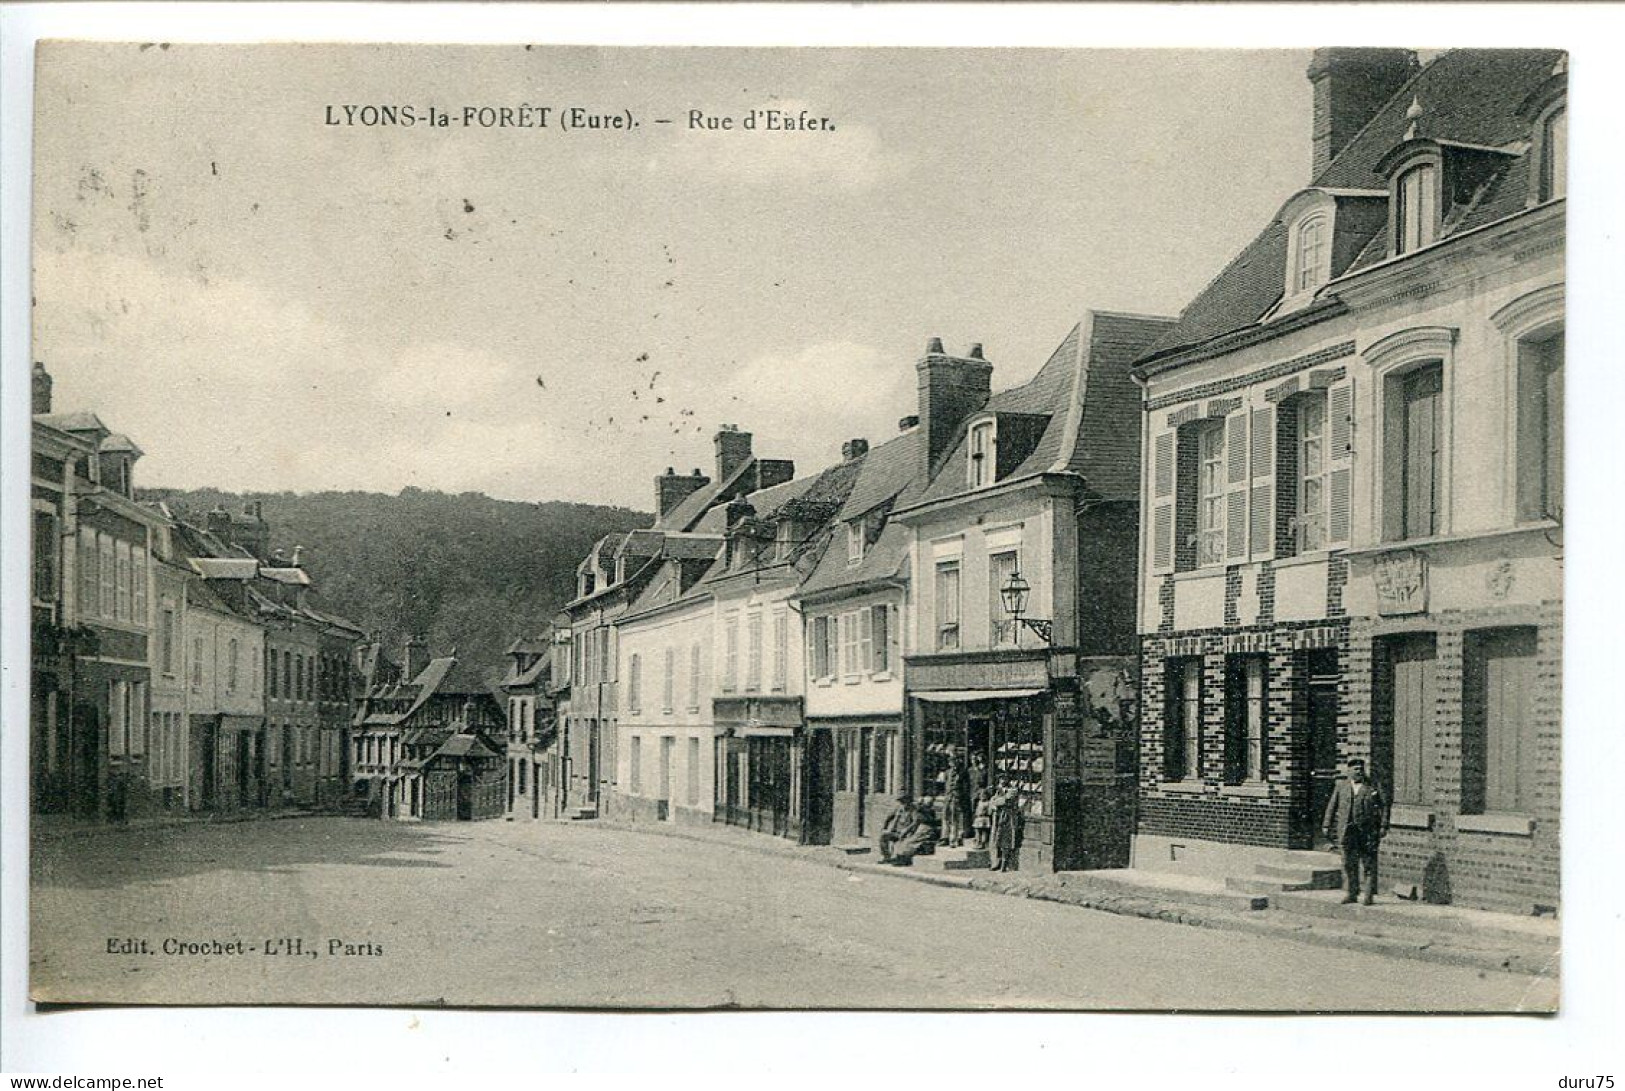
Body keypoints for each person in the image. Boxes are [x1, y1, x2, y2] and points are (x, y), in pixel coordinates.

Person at [1321, 758, 1390, 905]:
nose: (1359, 771)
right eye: (1355, 769)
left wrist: (1383, 826)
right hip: (1347, 831)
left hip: (1367, 831)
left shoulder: (1373, 786)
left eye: (1361, 768)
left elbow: (1384, 806)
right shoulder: (1341, 786)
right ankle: (1351, 893)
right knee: (1348, 863)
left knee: (1368, 863)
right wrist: (1326, 825)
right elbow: (1331, 807)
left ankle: (1368, 895)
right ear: (1349, 771)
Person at [988, 783, 1023, 872]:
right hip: (998, 820)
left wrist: (996, 800)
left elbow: (1002, 801)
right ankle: (996, 862)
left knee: (1005, 842)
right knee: (996, 841)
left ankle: (1005, 865)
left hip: (1008, 820)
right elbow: (992, 803)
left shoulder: (1012, 791)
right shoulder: (999, 792)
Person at [878, 796, 918, 863]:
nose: (903, 804)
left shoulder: (913, 810)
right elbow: (889, 817)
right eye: (901, 802)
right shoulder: (898, 808)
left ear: (909, 802)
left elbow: (915, 822)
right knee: (883, 837)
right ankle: (886, 857)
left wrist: (906, 830)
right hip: (896, 832)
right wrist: (884, 827)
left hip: (906, 833)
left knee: (904, 843)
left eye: (905, 802)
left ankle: (900, 858)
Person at [942, 756, 968, 847]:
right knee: (946, 817)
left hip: (957, 797)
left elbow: (965, 787)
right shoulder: (947, 773)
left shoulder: (961, 773)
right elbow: (945, 785)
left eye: (955, 762)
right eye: (951, 762)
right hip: (948, 797)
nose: (953, 764)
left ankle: (955, 839)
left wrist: (961, 796)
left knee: (955, 818)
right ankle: (945, 837)